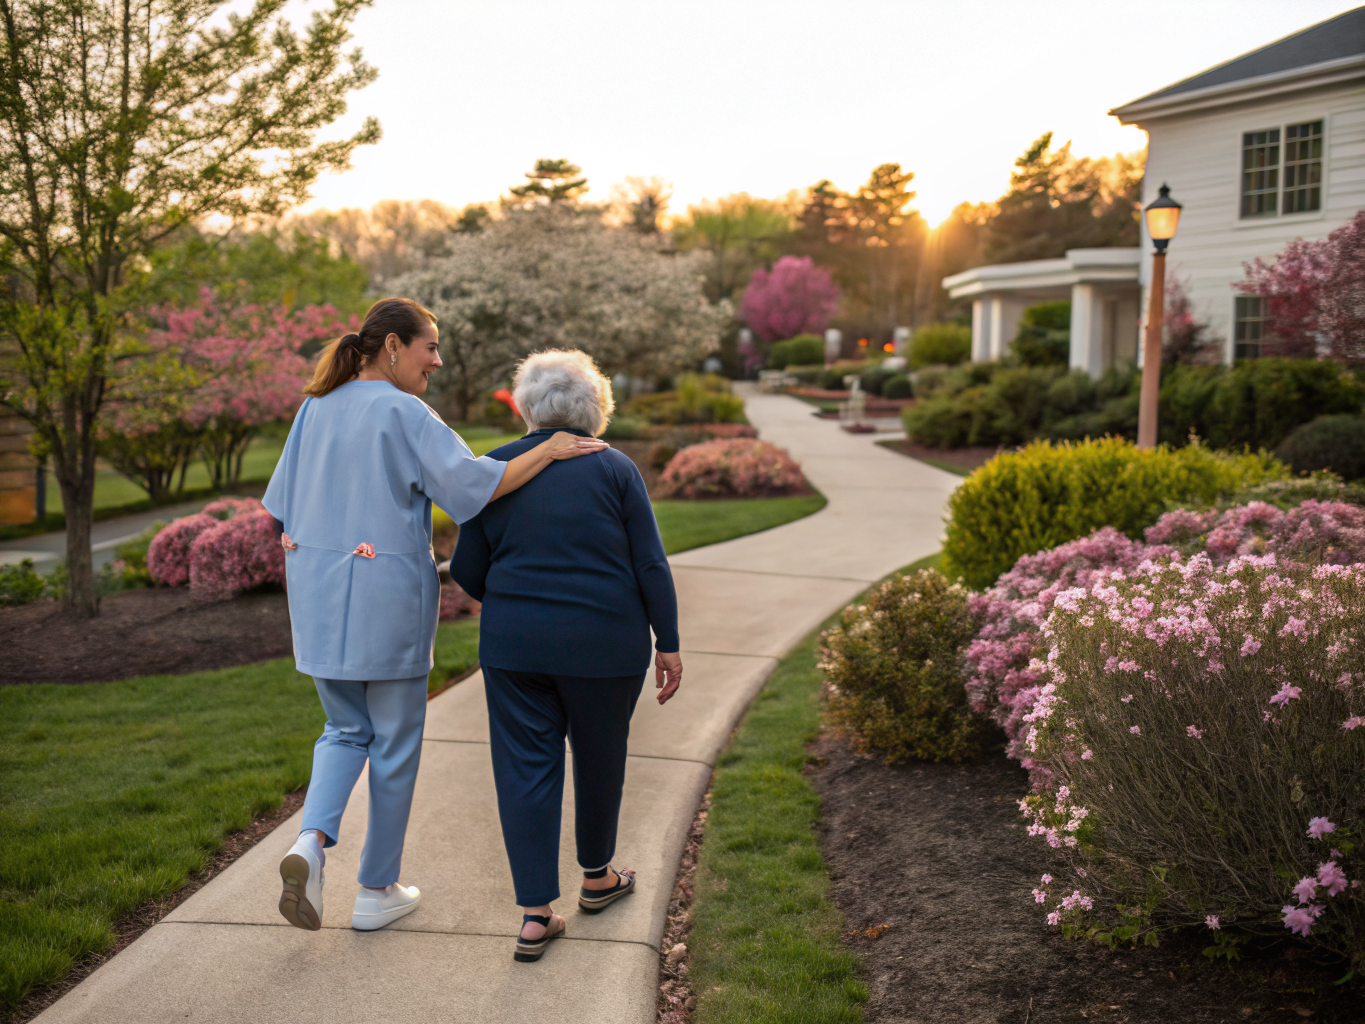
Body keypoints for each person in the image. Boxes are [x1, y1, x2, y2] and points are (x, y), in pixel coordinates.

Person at [264, 299, 607, 934]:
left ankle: (310, 842)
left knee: (343, 729)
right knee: (394, 743)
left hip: (316, 597)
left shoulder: (314, 408)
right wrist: (550, 450)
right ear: (393, 346)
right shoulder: (405, 412)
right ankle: (376, 891)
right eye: (431, 347)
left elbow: (281, 505)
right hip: (385, 600)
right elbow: (474, 488)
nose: (438, 361)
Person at [450, 349, 683, 963]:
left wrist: (516, 598)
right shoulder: (616, 469)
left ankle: (535, 915)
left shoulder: (496, 469)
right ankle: (598, 878)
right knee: (600, 758)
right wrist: (668, 642)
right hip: (606, 646)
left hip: (515, 648)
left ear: (526, 407)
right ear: (594, 408)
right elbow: (650, 563)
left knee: (525, 768)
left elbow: (468, 570)